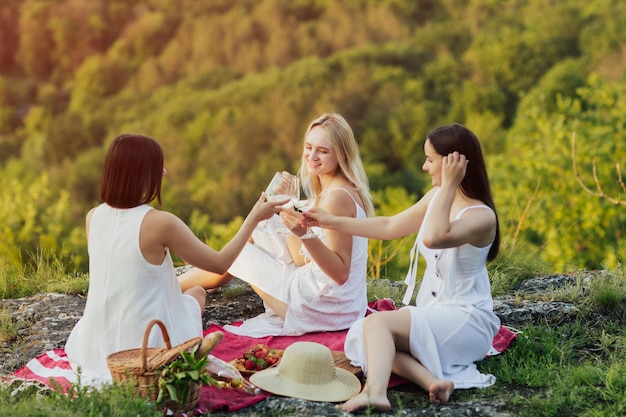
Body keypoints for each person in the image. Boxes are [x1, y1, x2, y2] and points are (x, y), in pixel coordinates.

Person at [304, 123, 501, 412]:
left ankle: (375, 392)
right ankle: (433, 381)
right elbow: (389, 226)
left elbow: (435, 237)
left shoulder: (481, 216)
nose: (424, 167)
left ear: (451, 165)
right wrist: (328, 221)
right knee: (366, 336)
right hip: (435, 315)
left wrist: (448, 186)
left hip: (466, 321)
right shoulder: (436, 198)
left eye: (430, 160)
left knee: (376, 325)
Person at [64, 134, 285, 385]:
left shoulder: (93, 216)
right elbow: (220, 263)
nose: (165, 172)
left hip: (94, 343)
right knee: (197, 293)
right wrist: (254, 217)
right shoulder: (159, 222)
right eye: (158, 167)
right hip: (150, 347)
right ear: (142, 174)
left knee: (189, 293)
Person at [177, 112, 375, 337]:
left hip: (327, 309)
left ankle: (175, 284)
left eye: (323, 150)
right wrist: (288, 208)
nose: (312, 156)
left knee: (241, 253)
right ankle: (213, 276)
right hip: (342, 306)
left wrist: (303, 233)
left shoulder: (336, 198)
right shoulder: (337, 189)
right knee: (268, 221)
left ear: (342, 154)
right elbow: (302, 259)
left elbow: (340, 273)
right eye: (309, 147)